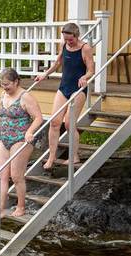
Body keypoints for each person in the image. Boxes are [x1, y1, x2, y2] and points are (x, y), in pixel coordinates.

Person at [0, 68, 43, 223]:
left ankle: (21, 206)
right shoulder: (3, 95)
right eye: (2, 85)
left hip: (21, 140)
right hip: (5, 139)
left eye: (7, 84)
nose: (4, 88)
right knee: (1, 176)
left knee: (16, 176)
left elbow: (38, 118)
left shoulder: (25, 97)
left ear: (16, 82)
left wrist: (30, 132)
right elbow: (2, 115)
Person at [34, 22, 95, 169]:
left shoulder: (85, 48)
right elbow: (57, 64)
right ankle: (51, 156)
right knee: (54, 122)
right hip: (64, 88)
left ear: (76, 35)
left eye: (71, 40)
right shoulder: (64, 45)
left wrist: (85, 77)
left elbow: (91, 70)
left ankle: (74, 156)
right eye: (66, 39)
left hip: (78, 89)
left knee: (68, 123)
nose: (68, 42)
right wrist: (44, 75)